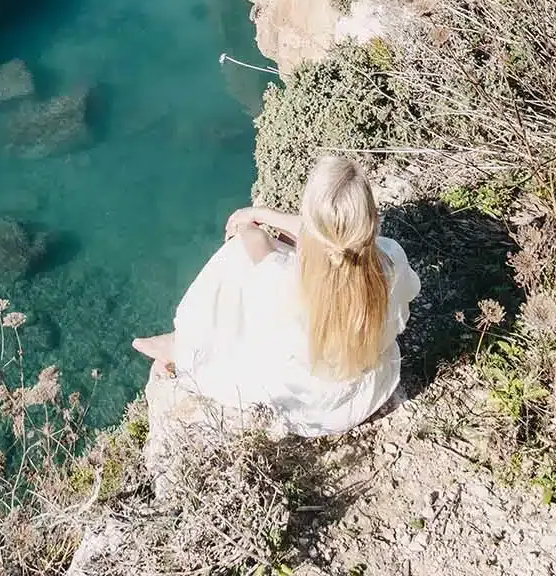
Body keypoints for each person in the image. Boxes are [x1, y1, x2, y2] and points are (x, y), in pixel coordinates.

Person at [132, 154, 420, 436]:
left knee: (236, 256)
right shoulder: (391, 261)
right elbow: (335, 246)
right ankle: (184, 343)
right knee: (276, 256)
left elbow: (261, 245)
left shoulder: (285, 281)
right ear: (370, 218)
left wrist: (248, 225)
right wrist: (262, 215)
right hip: (367, 388)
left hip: (308, 406)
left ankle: (184, 345)